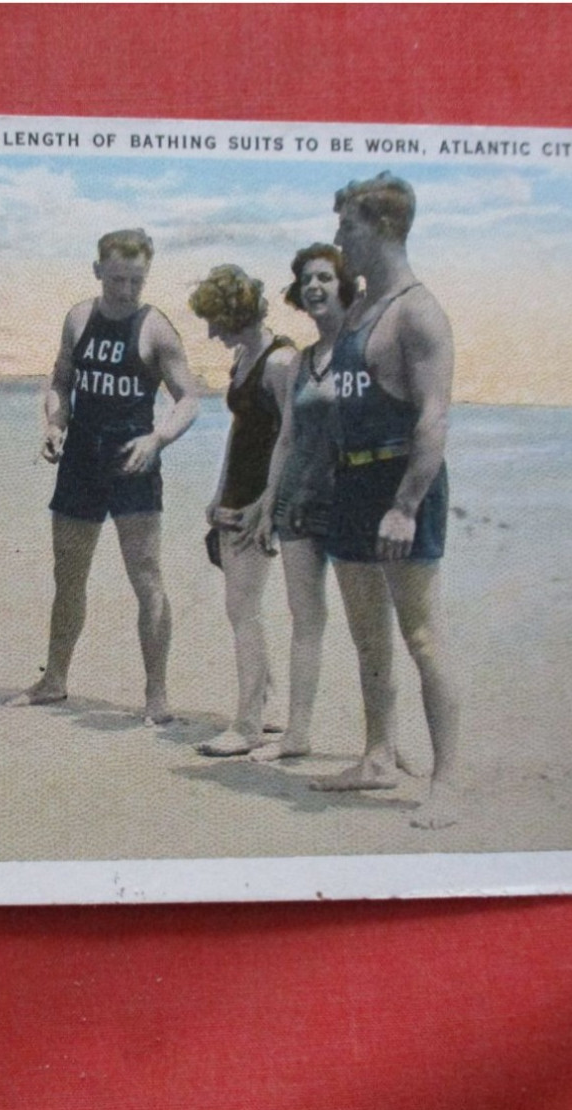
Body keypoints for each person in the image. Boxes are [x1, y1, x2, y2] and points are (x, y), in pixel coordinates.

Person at [311, 172, 462, 830]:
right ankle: (376, 755)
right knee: (369, 640)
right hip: (350, 485)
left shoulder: (418, 311)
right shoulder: (356, 310)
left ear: (385, 228)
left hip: (403, 485)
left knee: (422, 637)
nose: (339, 236)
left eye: (348, 226)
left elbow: (433, 419)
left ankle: (446, 781)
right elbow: (334, 411)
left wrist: (405, 505)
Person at [10, 228, 202, 724]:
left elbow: (188, 399)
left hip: (133, 461)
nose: (125, 291)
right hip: (80, 460)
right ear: (98, 271)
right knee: (68, 575)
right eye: (117, 279)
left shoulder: (156, 328)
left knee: (147, 577)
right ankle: (54, 678)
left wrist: (158, 439)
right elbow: (60, 381)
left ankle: (156, 696)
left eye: (136, 281)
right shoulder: (78, 317)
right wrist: (54, 422)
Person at [242, 244, 361, 763]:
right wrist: (269, 503)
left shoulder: (366, 354)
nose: (314, 287)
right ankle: (297, 734)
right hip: (298, 505)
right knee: (305, 621)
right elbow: (286, 439)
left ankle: (385, 743)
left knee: (370, 628)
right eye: (306, 279)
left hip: (355, 503)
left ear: (345, 286)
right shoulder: (301, 362)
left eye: (325, 278)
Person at [186, 265, 298, 756]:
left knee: (242, 610)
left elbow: (291, 437)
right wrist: (218, 493)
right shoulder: (246, 357)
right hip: (237, 494)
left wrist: (266, 505)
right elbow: (240, 431)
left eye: (216, 321)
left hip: (262, 498)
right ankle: (265, 707)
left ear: (236, 315)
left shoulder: (280, 361)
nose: (211, 332)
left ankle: (248, 723)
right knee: (243, 608)